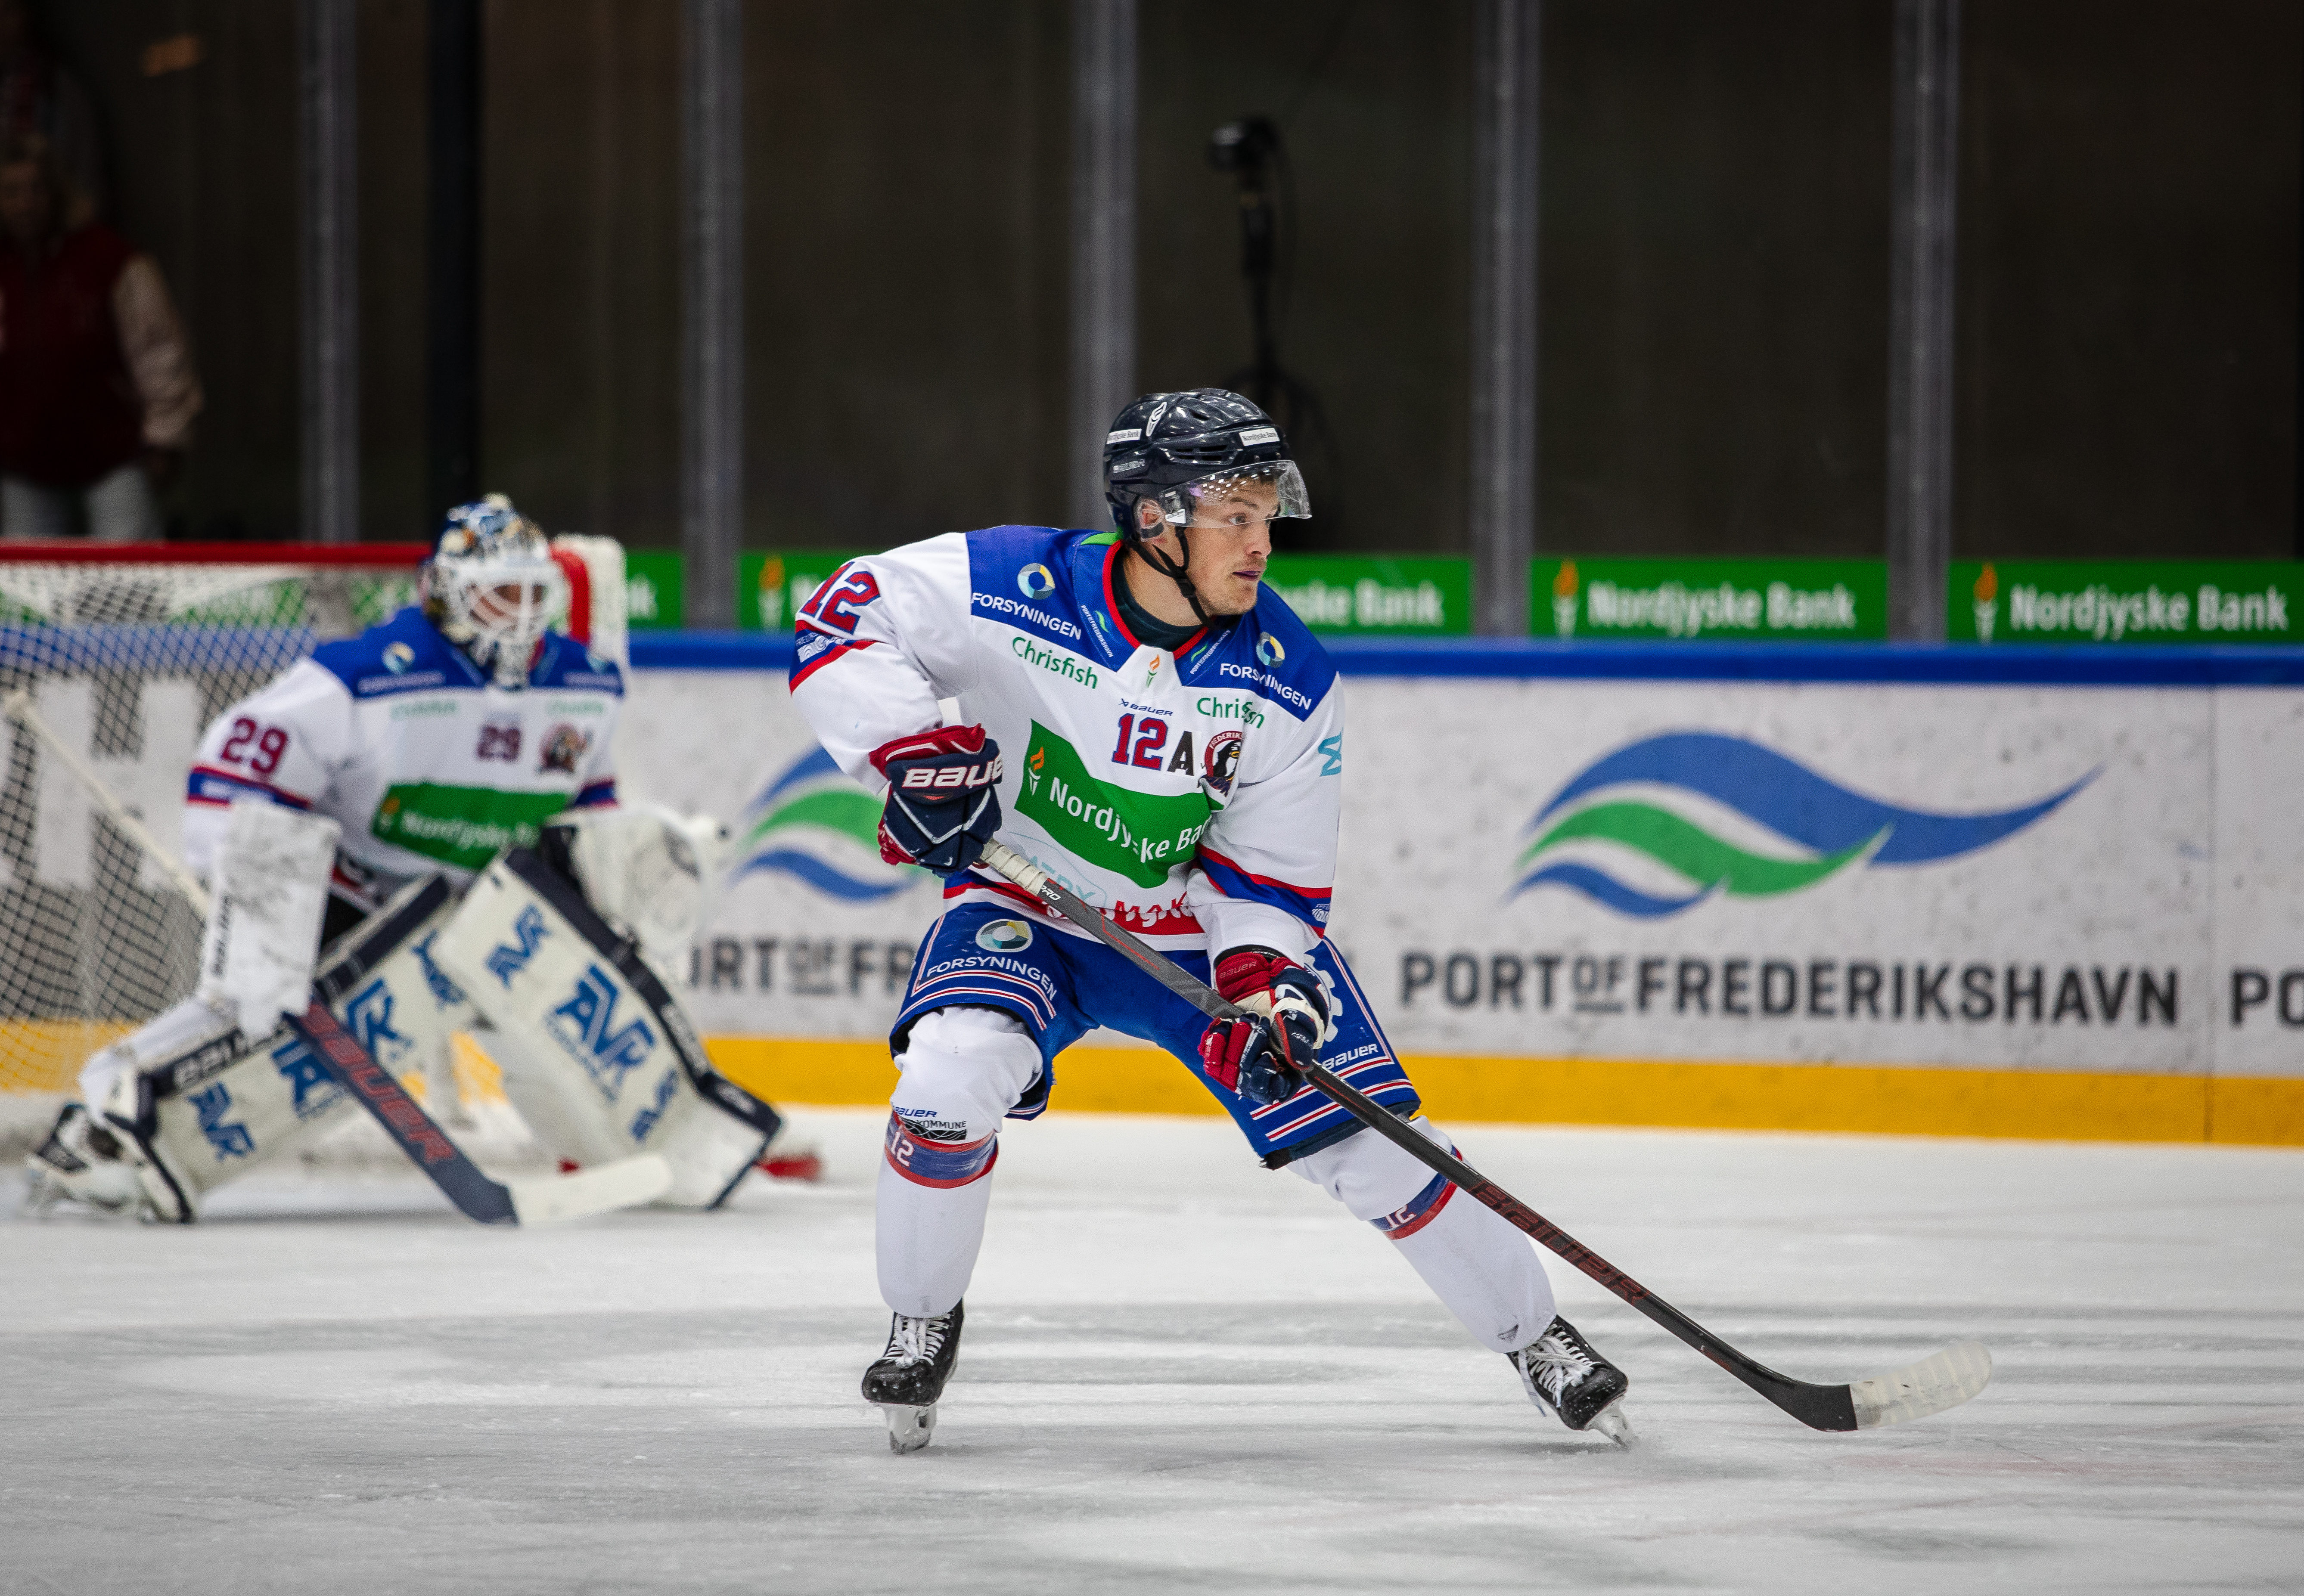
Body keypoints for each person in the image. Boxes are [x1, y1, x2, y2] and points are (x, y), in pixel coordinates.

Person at [788, 388, 1633, 1453]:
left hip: (1188, 938)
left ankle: (1536, 1335)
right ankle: (921, 1318)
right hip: (1026, 904)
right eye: (1234, 513)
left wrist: (1268, 985)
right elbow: (842, 611)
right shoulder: (1012, 583)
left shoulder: (1286, 677)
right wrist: (909, 747)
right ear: (1154, 519)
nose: (1262, 541)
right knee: (949, 1077)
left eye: (1267, 512)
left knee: (1366, 1146)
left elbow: (1270, 883)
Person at [24, 497, 789, 1219]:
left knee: (578, 998)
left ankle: (675, 1133)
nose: (521, 619)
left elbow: (587, 804)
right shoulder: (369, 674)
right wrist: (253, 875)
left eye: (533, 595)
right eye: (498, 597)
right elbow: (239, 761)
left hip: (485, 906)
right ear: (446, 596)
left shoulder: (583, 684)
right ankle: (102, 1122)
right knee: (255, 1011)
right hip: (355, 893)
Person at [0, 133, 201, 541]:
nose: (25, 203)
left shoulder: (108, 259)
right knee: (26, 590)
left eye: (36, 189)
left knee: (126, 584)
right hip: (23, 463)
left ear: (57, 190)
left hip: (113, 455)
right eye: (11, 192)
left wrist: (165, 438)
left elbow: (159, 351)